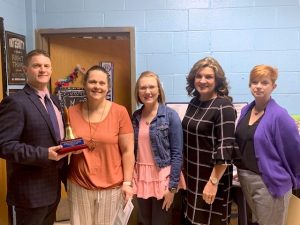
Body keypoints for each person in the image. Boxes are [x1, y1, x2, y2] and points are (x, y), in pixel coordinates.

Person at [0, 49, 68, 225]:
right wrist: (44, 154)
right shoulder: (15, 102)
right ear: (25, 70)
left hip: (52, 187)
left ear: (51, 70)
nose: (42, 70)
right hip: (30, 192)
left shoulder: (54, 101)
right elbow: (5, 145)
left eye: (46, 66)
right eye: (36, 65)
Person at [67, 65, 135, 225]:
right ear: (84, 84)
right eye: (92, 82)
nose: (97, 86)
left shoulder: (120, 112)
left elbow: (128, 151)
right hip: (79, 184)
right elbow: (67, 143)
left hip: (112, 187)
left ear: (108, 87)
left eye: (102, 83)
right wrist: (71, 149)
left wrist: (127, 183)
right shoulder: (71, 112)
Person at [235, 65, 300, 225]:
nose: (258, 86)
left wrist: (293, 179)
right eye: (254, 82)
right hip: (246, 179)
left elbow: (295, 152)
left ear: (273, 86)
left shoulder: (280, 116)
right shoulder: (245, 111)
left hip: (269, 183)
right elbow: (244, 144)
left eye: (264, 82)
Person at [182, 57, 237, 225]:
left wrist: (212, 182)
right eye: (199, 76)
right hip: (192, 177)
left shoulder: (224, 106)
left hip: (212, 179)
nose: (203, 81)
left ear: (217, 80)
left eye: (209, 77)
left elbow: (225, 147)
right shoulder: (194, 103)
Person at [131, 71, 185, 225]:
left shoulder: (170, 116)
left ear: (159, 90)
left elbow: (177, 153)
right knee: (144, 221)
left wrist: (172, 187)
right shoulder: (135, 116)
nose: (147, 91)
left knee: (161, 222)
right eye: (143, 88)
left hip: (163, 178)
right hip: (142, 177)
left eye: (151, 87)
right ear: (138, 91)